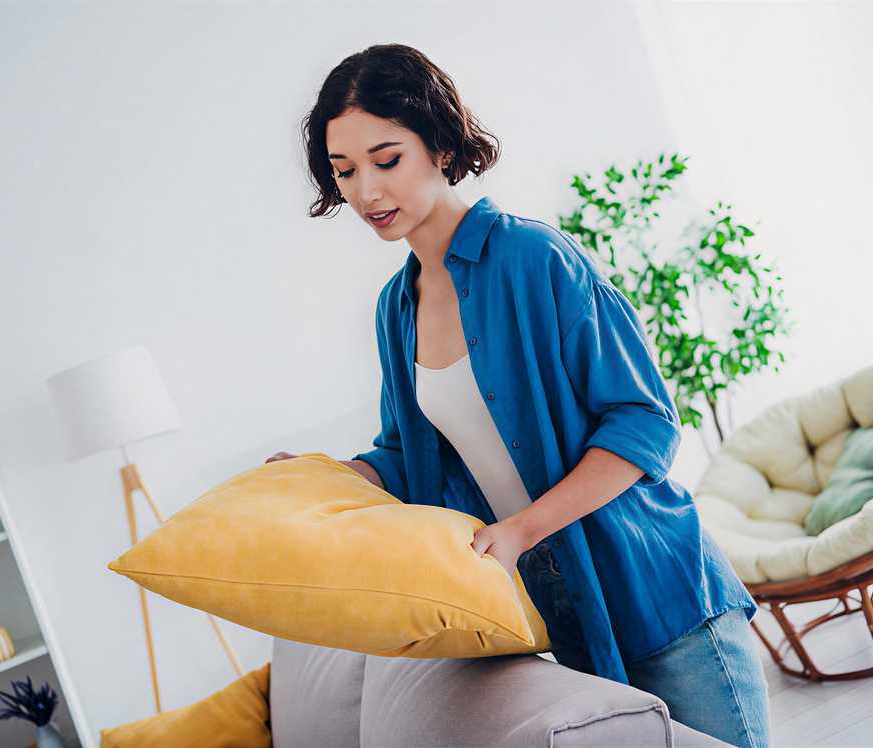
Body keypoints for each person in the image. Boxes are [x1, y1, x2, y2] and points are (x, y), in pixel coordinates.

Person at [268, 43, 772, 748]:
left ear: (441, 145)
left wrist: (522, 529)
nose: (366, 192)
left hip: (659, 591)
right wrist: (323, 475)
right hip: (559, 607)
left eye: (387, 160)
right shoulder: (395, 310)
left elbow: (644, 422)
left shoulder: (534, 258)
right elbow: (408, 458)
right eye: (345, 170)